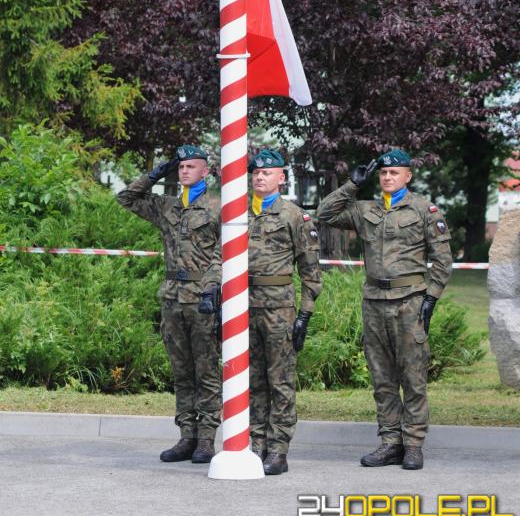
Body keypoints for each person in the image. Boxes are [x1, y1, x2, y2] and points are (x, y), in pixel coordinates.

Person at [317, 149, 452, 470]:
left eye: (394, 172)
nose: (388, 177)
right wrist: (352, 184)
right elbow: (325, 214)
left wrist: (431, 298)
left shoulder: (424, 210)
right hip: (374, 301)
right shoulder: (366, 209)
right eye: (384, 173)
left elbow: (443, 259)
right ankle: (391, 442)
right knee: (382, 377)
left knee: (413, 376)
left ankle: (413, 444)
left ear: (408, 176)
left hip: (410, 302)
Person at [200, 149, 322, 475]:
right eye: (255, 172)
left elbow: (311, 272)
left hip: (278, 308)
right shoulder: (237, 213)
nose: (259, 177)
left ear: (281, 178)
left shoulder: (295, 216)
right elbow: (219, 256)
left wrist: (305, 314)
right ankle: (257, 444)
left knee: (280, 380)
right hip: (242, 307)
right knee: (251, 380)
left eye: (267, 173)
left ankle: (278, 449)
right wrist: (211, 289)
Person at [117, 144, 221, 464]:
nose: (184, 171)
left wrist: (213, 287)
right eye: (181, 167)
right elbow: (126, 198)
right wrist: (154, 175)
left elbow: (226, 252)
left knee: (206, 371)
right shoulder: (168, 206)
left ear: (205, 171)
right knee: (181, 371)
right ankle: (187, 437)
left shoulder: (218, 207)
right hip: (172, 298)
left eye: (191, 166)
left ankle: (206, 439)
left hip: (203, 298)